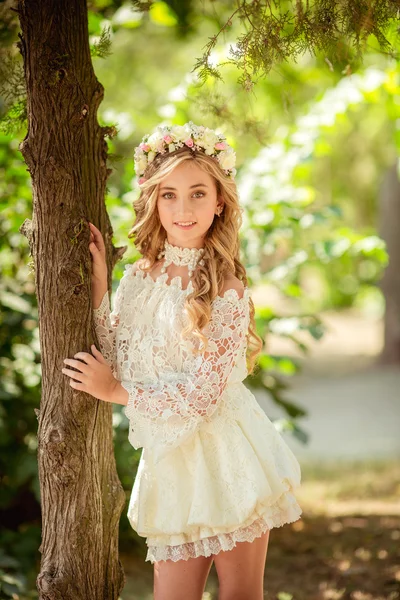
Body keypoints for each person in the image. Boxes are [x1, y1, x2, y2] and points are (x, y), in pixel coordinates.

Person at [62, 121, 302, 600]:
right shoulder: (138, 277)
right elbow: (120, 358)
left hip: (228, 456)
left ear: (220, 202)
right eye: (169, 195)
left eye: (197, 193)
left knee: (240, 595)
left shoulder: (228, 291)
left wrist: (114, 392)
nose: (183, 208)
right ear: (154, 200)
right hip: (171, 464)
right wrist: (99, 293)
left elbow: (199, 396)